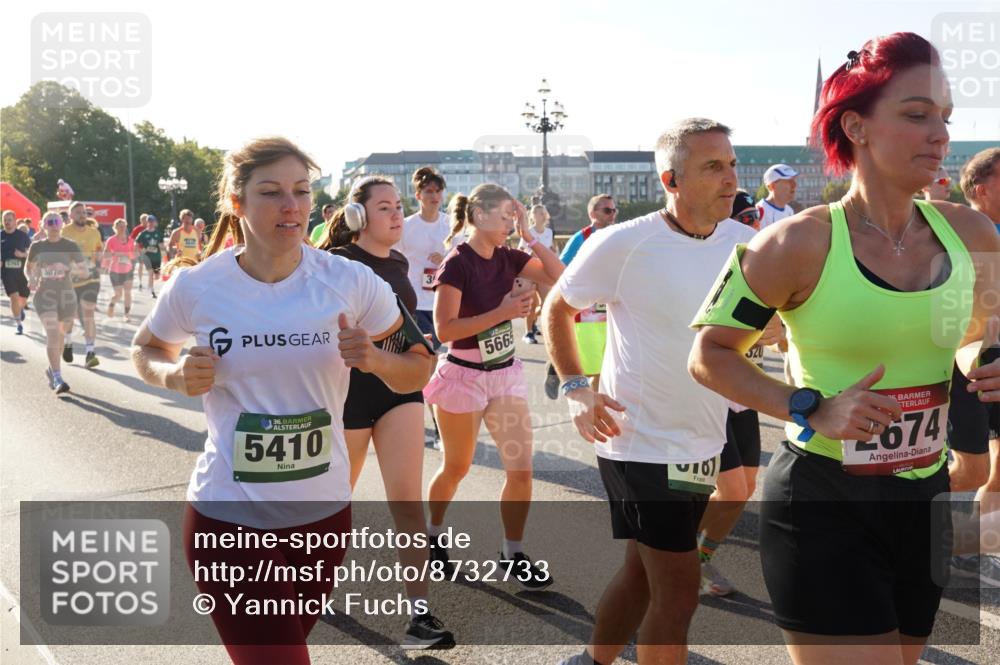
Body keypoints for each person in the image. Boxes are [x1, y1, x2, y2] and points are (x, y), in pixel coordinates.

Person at [688, 34, 1000, 665]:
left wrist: (986, 368)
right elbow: (711, 354)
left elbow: (974, 338)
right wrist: (808, 403)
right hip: (823, 501)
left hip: (925, 499)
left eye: (944, 117)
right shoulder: (793, 243)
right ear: (856, 126)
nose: (939, 134)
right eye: (916, 115)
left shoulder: (971, 232)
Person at [131, 137, 434, 665]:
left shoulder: (349, 281)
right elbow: (147, 348)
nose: (291, 206)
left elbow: (419, 366)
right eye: (271, 192)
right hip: (228, 521)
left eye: (301, 191)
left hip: (323, 519)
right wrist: (175, 375)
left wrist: (377, 359)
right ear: (236, 201)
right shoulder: (198, 286)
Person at [544, 118, 756, 665]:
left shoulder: (745, 243)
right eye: (712, 167)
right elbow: (558, 308)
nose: (730, 178)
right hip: (639, 441)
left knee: (642, 572)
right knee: (679, 592)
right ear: (672, 180)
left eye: (732, 164)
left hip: (703, 439)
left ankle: (593, 661)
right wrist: (575, 387)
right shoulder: (625, 243)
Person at [315, 175, 454, 650]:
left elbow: (404, 323)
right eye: (385, 208)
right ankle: (313, 588)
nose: (397, 214)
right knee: (334, 501)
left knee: (406, 502)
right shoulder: (336, 264)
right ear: (357, 217)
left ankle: (419, 614)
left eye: (398, 206)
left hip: (398, 389)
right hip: (349, 395)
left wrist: (421, 342)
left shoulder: (399, 261)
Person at [424, 183, 564, 589]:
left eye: (512, 217)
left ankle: (513, 552)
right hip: (463, 376)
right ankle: (431, 535)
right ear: (479, 215)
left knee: (521, 470)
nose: (509, 223)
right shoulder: (457, 263)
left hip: (504, 374)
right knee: (457, 466)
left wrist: (531, 235)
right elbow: (444, 330)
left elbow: (559, 276)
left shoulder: (509, 256)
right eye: (504, 217)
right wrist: (502, 311)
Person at [952, 146, 1000, 581]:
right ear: (982, 189)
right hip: (963, 363)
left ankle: (977, 544)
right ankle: (889, 516)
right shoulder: (953, 234)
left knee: (997, 466)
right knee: (971, 469)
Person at [543, 194, 618, 400]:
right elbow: (560, 270)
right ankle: (557, 365)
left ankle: (598, 409)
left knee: (606, 368)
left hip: (609, 312)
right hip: (585, 315)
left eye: (614, 210)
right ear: (592, 213)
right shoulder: (581, 238)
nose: (613, 215)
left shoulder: (618, 236)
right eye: (607, 210)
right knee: (593, 371)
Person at [25, 211, 86, 394]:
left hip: (66, 296)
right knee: (52, 333)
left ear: (61, 224)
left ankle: (52, 370)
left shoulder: (70, 245)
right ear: (43, 224)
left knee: (60, 336)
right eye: (49, 222)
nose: (53, 224)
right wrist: (31, 278)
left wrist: (67, 268)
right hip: (45, 295)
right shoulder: (37, 246)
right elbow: (28, 269)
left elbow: (84, 272)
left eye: (56, 221)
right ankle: (58, 378)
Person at [396, 166, 450, 351]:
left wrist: (445, 260)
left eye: (438, 191)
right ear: (418, 195)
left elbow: (463, 260)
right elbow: (393, 258)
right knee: (424, 352)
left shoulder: (450, 224)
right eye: (428, 191)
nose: (434, 196)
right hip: (415, 300)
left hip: (442, 301)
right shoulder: (405, 226)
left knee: (433, 351)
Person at [60, 201, 103, 369]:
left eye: (83, 212)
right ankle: (68, 342)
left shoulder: (94, 233)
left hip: (91, 279)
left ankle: (90, 352)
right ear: (70, 216)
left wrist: (97, 264)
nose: (81, 215)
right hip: (69, 281)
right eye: (77, 212)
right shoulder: (64, 232)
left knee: (88, 313)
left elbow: (98, 252)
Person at [519, 204, 556, 344]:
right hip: (529, 270)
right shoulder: (528, 231)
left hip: (544, 270)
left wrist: (553, 253)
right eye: (536, 213)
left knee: (546, 303)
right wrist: (530, 253)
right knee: (532, 303)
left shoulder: (549, 232)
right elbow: (521, 249)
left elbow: (550, 248)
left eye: (542, 212)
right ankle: (528, 333)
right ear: (532, 216)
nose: (540, 215)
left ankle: (533, 322)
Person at [2, 210, 32, 334]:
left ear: (15, 221)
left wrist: (22, 254)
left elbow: (31, 253)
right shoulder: (0, 235)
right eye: (5, 220)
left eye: (9, 220)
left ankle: (20, 309)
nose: (7, 222)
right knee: (14, 297)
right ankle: (18, 323)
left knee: (23, 297)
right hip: (7, 272)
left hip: (22, 272)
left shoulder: (22, 236)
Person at [103, 218, 137, 321]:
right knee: (118, 295)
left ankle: (126, 315)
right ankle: (112, 304)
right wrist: (115, 254)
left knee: (128, 292)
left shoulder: (130, 240)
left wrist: (128, 255)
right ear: (115, 228)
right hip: (115, 271)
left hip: (128, 270)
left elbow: (134, 255)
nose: (122, 228)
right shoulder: (111, 240)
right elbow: (105, 254)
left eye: (124, 226)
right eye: (120, 226)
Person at [756, 163, 798, 230]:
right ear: (772, 186)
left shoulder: (789, 211)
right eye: (789, 181)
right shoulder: (759, 211)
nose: (794, 185)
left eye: (794, 180)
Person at [135, 214, 165, 298]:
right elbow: (136, 244)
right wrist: (141, 251)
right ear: (147, 222)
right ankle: (152, 290)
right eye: (149, 221)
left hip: (157, 257)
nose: (151, 223)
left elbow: (161, 245)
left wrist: (165, 249)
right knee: (150, 273)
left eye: (152, 222)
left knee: (157, 275)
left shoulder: (158, 233)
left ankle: (150, 285)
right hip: (147, 257)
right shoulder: (143, 233)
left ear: (155, 223)